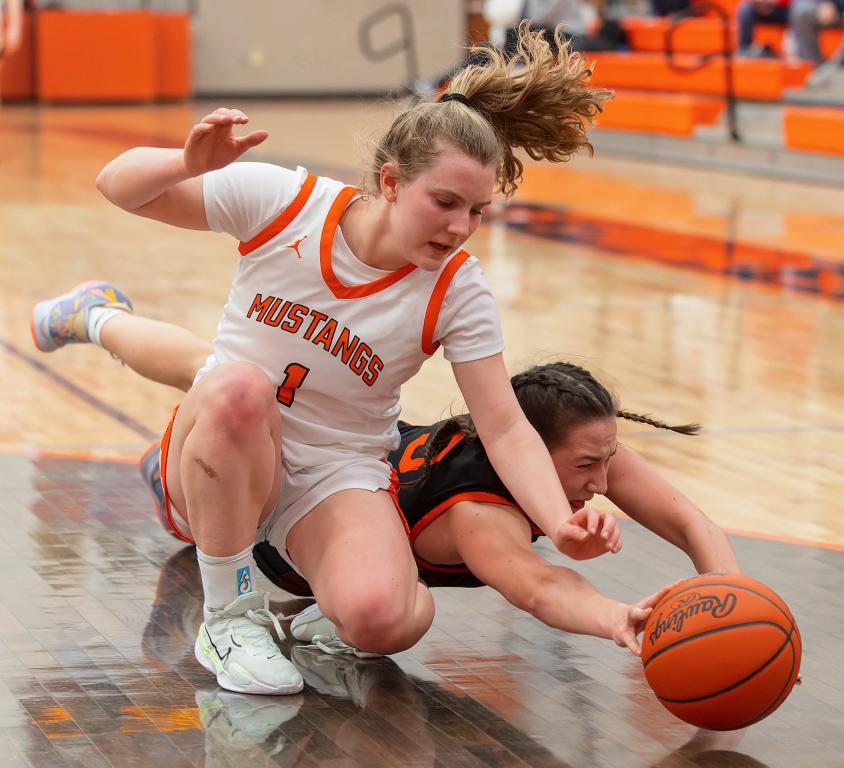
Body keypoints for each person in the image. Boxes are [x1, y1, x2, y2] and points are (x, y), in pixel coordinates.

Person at [30, 23, 620, 697]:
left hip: (334, 469)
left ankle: (338, 596)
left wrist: (560, 524)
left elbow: (506, 426)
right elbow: (116, 185)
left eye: (478, 211)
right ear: (392, 182)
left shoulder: (458, 288)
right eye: (445, 202)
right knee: (235, 386)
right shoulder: (286, 203)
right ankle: (230, 616)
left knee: (384, 619)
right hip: (229, 442)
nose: (459, 227)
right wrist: (187, 163)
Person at [31, 281, 738, 658]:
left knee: (214, 374)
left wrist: (738, 607)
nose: (605, 477)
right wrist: (623, 620)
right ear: (522, 445)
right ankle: (93, 316)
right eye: (589, 464)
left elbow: (688, 518)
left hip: (348, 477)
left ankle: (101, 318)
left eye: (607, 458)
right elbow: (542, 586)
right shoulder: (479, 515)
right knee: (218, 376)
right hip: (261, 509)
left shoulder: (580, 446)